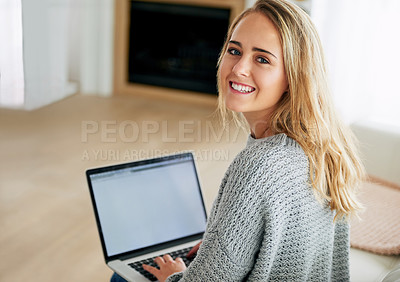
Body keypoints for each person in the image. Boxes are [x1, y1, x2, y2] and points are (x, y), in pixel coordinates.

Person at [111, 0, 365, 281]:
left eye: (262, 59)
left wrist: (175, 275)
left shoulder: (259, 164)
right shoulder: (325, 144)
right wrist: (217, 249)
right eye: (235, 50)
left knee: (122, 277)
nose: (239, 68)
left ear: (294, 76)